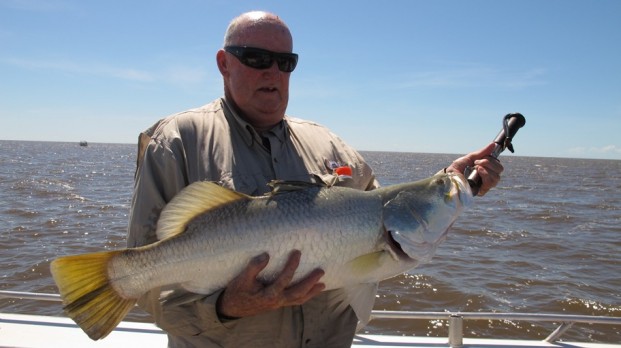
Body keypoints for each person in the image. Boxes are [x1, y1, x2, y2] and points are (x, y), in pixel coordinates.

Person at [127, 11, 503, 348]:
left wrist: (453, 183)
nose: (272, 72)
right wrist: (225, 307)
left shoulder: (329, 143)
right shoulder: (177, 140)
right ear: (224, 63)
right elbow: (144, 282)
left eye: (285, 62)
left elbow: (384, 208)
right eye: (256, 59)